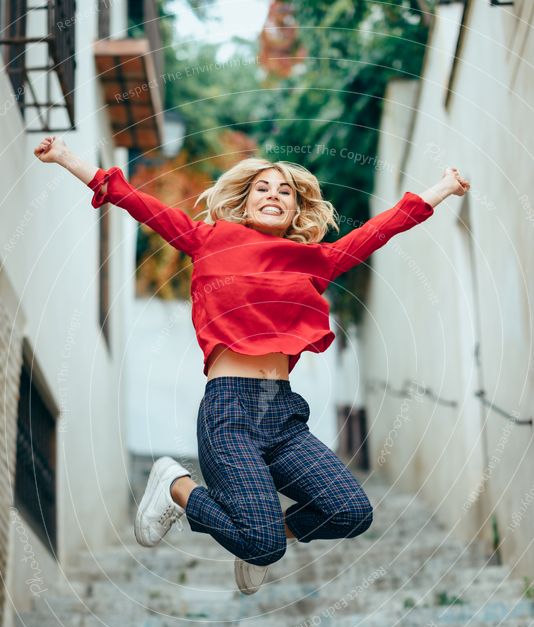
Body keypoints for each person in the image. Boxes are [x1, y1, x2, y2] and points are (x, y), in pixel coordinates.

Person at [34, 135, 470, 594]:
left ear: (296, 209)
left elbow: (382, 229)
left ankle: (255, 540)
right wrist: (66, 157)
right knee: (263, 544)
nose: (274, 195)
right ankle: (177, 488)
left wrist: (441, 188)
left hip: (283, 416)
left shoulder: (315, 261)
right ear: (244, 201)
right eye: (263, 187)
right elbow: (135, 200)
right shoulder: (209, 240)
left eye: (285, 191)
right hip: (230, 413)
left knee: (350, 511)